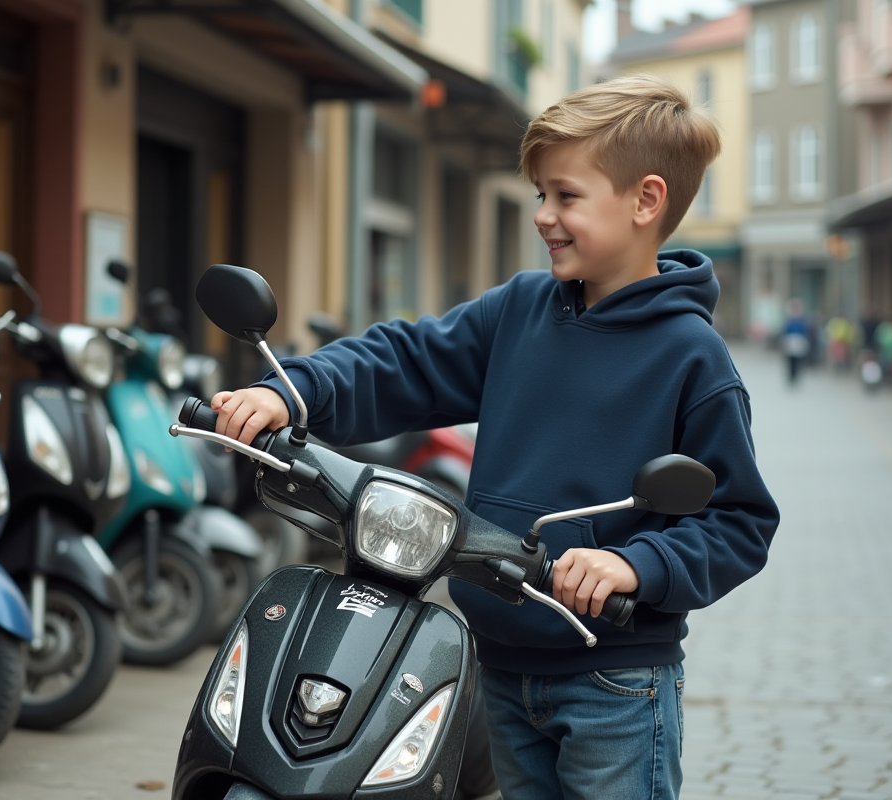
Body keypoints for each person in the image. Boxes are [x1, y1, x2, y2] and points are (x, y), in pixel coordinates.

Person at [208, 75, 780, 800]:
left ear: (646, 201)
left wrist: (637, 565)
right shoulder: (520, 309)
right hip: (498, 662)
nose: (543, 215)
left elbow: (738, 521)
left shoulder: (693, 359)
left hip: (615, 678)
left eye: (565, 196)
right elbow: (406, 361)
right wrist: (291, 390)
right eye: (540, 193)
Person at [782, 299, 809, 384]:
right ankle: (791, 375)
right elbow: (786, 330)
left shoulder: (801, 319)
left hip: (799, 340)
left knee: (798, 359)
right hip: (791, 340)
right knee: (790, 359)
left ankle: (796, 375)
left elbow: (804, 330)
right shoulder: (789, 318)